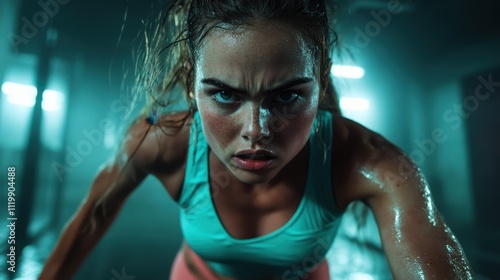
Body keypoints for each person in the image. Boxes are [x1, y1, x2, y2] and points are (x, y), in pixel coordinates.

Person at [39, 0, 474, 279]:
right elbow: (93, 215)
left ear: (320, 83)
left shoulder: (371, 163)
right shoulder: (160, 141)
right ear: (192, 82)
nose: (257, 130)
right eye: (225, 95)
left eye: (286, 96)